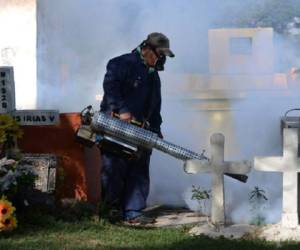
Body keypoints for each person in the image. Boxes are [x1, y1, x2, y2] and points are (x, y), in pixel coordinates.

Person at [99, 32, 175, 224]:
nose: (162, 59)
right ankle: (111, 211)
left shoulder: (154, 76)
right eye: (160, 54)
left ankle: (133, 212)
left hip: (142, 130)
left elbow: (155, 105)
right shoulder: (120, 63)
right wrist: (123, 110)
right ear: (148, 49)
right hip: (116, 126)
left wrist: (156, 129)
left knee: (139, 170)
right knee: (115, 169)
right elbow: (110, 88)